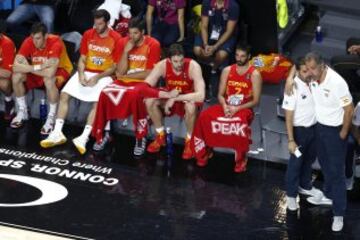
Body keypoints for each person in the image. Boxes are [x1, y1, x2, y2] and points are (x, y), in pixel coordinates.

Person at [286, 52, 353, 232]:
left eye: (314, 68)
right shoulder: (311, 78)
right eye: (308, 69)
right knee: (324, 165)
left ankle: (338, 214)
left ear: (322, 65)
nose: (310, 72)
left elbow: (349, 109)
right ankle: (329, 195)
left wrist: (343, 133)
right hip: (319, 129)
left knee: (336, 173)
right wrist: (289, 78)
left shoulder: (337, 83)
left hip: (335, 132)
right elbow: (297, 64)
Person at [40, 9, 121, 155]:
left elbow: (115, 66)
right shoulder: (88, 34)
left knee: (98, 102)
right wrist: (81, 73)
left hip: (104, 75)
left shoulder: (116, 38)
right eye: (95, 23)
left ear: (107, 23)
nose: (96, 27)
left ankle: (83, 137)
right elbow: (82, 58)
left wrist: (97, 77)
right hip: (86, 71)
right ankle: (57, 132)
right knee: (64, 94)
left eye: (100, 24)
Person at [91, 17, 161, 156]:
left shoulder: (153, 44)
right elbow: (119, 72)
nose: (132, 36)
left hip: (144, 82)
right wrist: (125, 52)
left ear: (143, 32)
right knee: (105, 93)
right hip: (124, 80)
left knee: (135, 95)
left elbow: (150, 73)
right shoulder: (123, 42)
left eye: (135, 33)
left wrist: (126, 77)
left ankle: (140, 137)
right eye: (130, 33)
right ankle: (105, 133)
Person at [191, 44, 262, 173]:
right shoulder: (227, 70)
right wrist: (224, 106)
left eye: (242, 56)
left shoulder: (255, 74)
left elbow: (256, 101)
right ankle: (204, 150)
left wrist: (237, 108)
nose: (239, 58)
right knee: (204, 116)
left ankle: (241, 159)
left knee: (238, 124)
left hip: (244, 108)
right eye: (237, 55)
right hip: (226, 105)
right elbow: (220, 94)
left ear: (249, 57)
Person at [145, 43, 205, 159]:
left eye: (181, 60)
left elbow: (201, 96)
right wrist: (167, 96)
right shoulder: (162, 65)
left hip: (187, 98)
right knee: (149, 101)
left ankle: (189, 141)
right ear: (169, 60)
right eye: (175, 61)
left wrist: (174, 98)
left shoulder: (193, 66)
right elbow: (145, 87)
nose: (179, 64)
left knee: (190, 107)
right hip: (170, 96)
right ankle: (160, 136)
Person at [11, 22, 73, 133]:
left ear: (46, 36)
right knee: (16, 77)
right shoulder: (29, 41)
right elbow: (15, 67)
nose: (35, 42)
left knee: (48, 80)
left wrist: (26, 67)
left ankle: (51, 117)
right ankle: (22, 110)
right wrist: (38, 67)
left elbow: (50, 73)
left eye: (38, 38)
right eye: (33, 38)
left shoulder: (56, 42)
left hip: (61, 70)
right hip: (38, 69)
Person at [282, 57, 323, 211]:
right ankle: (291, 195)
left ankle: (305, 185)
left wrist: (290, 75)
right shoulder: (292, 88)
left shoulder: (313, 82)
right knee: (295, 163)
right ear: (298, 71)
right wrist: (291, 140)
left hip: (314, 129)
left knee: (309, 160)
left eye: (309, 70)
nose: (308, 73)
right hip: (299, 132)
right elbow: (289, 116)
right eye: (304, 71)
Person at [193, 0, 239, 74]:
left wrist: (215, 47)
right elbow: (204, 26)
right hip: (210, 31)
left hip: (225, 34)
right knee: (197, 50)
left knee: (221, 55)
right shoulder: (206, 2)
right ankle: (210, 63)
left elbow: (229, 31)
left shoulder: (233, 6)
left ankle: (214, 68)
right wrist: (205, 44)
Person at [0, 20, 16, 120]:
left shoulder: (7, 44)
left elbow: (7, 74)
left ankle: (9, 101)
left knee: (4, 84)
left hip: (7, 75)